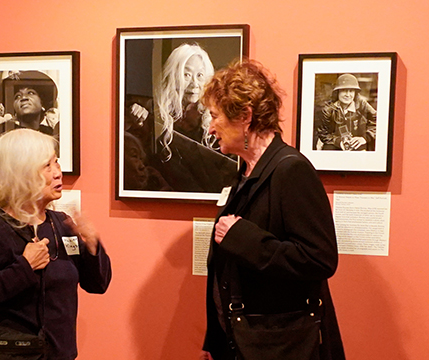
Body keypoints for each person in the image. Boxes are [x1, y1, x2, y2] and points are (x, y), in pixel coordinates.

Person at [200, 60, 345, 360]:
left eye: (215, 116)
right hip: (245, 341)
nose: (211, 127)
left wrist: (245, 239)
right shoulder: (245, 172)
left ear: (245, 116)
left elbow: (320, 259)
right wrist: (215, 339)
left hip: (280, 346)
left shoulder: (291, 170)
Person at [0, 129, 112, 360]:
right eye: (47, 166)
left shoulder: (61, 223)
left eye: (56, 163)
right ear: (20, 174)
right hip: (13, 354)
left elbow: (97, 285)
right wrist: (24, 266)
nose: (58, 173)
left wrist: (93, 247)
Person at [127, 43, 237, 193]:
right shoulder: (155, 114)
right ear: (173, 76)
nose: (194, 84)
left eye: (199, 76)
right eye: (187, 75)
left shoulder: (215, 119)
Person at [317, 73, 377, 151]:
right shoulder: (328, 110)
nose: (348, 95)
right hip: (335, 145)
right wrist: (338, 142)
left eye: (351, 91)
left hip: (358, 144)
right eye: (344, 91)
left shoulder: (362, 104)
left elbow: (377, 121)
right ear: (337, 92)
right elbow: (323, 134)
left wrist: (365, 137)